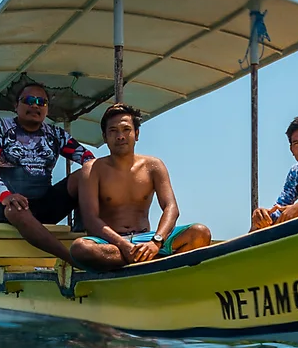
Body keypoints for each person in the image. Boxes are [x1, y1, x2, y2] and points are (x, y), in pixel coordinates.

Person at [69, 104, 211, 270]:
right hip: (111, 244)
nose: (120, 136)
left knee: (200, 233)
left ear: (136, 134)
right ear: (105, 137)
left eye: (126, 129)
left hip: (148, 240)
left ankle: (147, 258)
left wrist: (156, 241)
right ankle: (157, 262)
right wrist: (123, 245)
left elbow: (171, 207)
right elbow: (91, 220)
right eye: (113, 131)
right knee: (81, 249)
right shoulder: (92, 169)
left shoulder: (153, 165)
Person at [0, 79, 93, 264]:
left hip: (44, 205)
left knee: (87, 173)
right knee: (15, 209)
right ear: (16, 105)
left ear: (47, 108)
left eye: (41, 102)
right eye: (29, 100)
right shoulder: (0, 127)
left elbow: (88, 159)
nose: (35, 106)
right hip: (8, 207)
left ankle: (87, 236)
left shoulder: (55, 134)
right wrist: (5, 195)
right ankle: (72, 259)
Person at [251, 115, 298, 229]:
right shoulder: (296, 173)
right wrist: (264, 216)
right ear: (291, 149)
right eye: (296, 144)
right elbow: (281, 208)